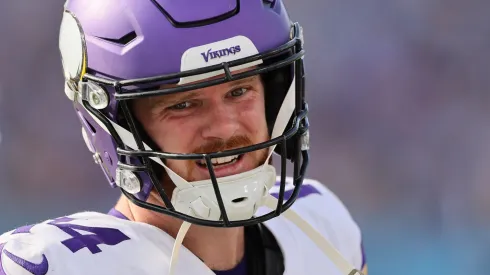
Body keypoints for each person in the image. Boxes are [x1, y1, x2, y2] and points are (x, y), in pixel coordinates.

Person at [0, 0, 368, 274]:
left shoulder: (323, 229)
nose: (224, 128)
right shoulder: (55, 264)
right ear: (114, 124)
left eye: (239, 91)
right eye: (184, 104)